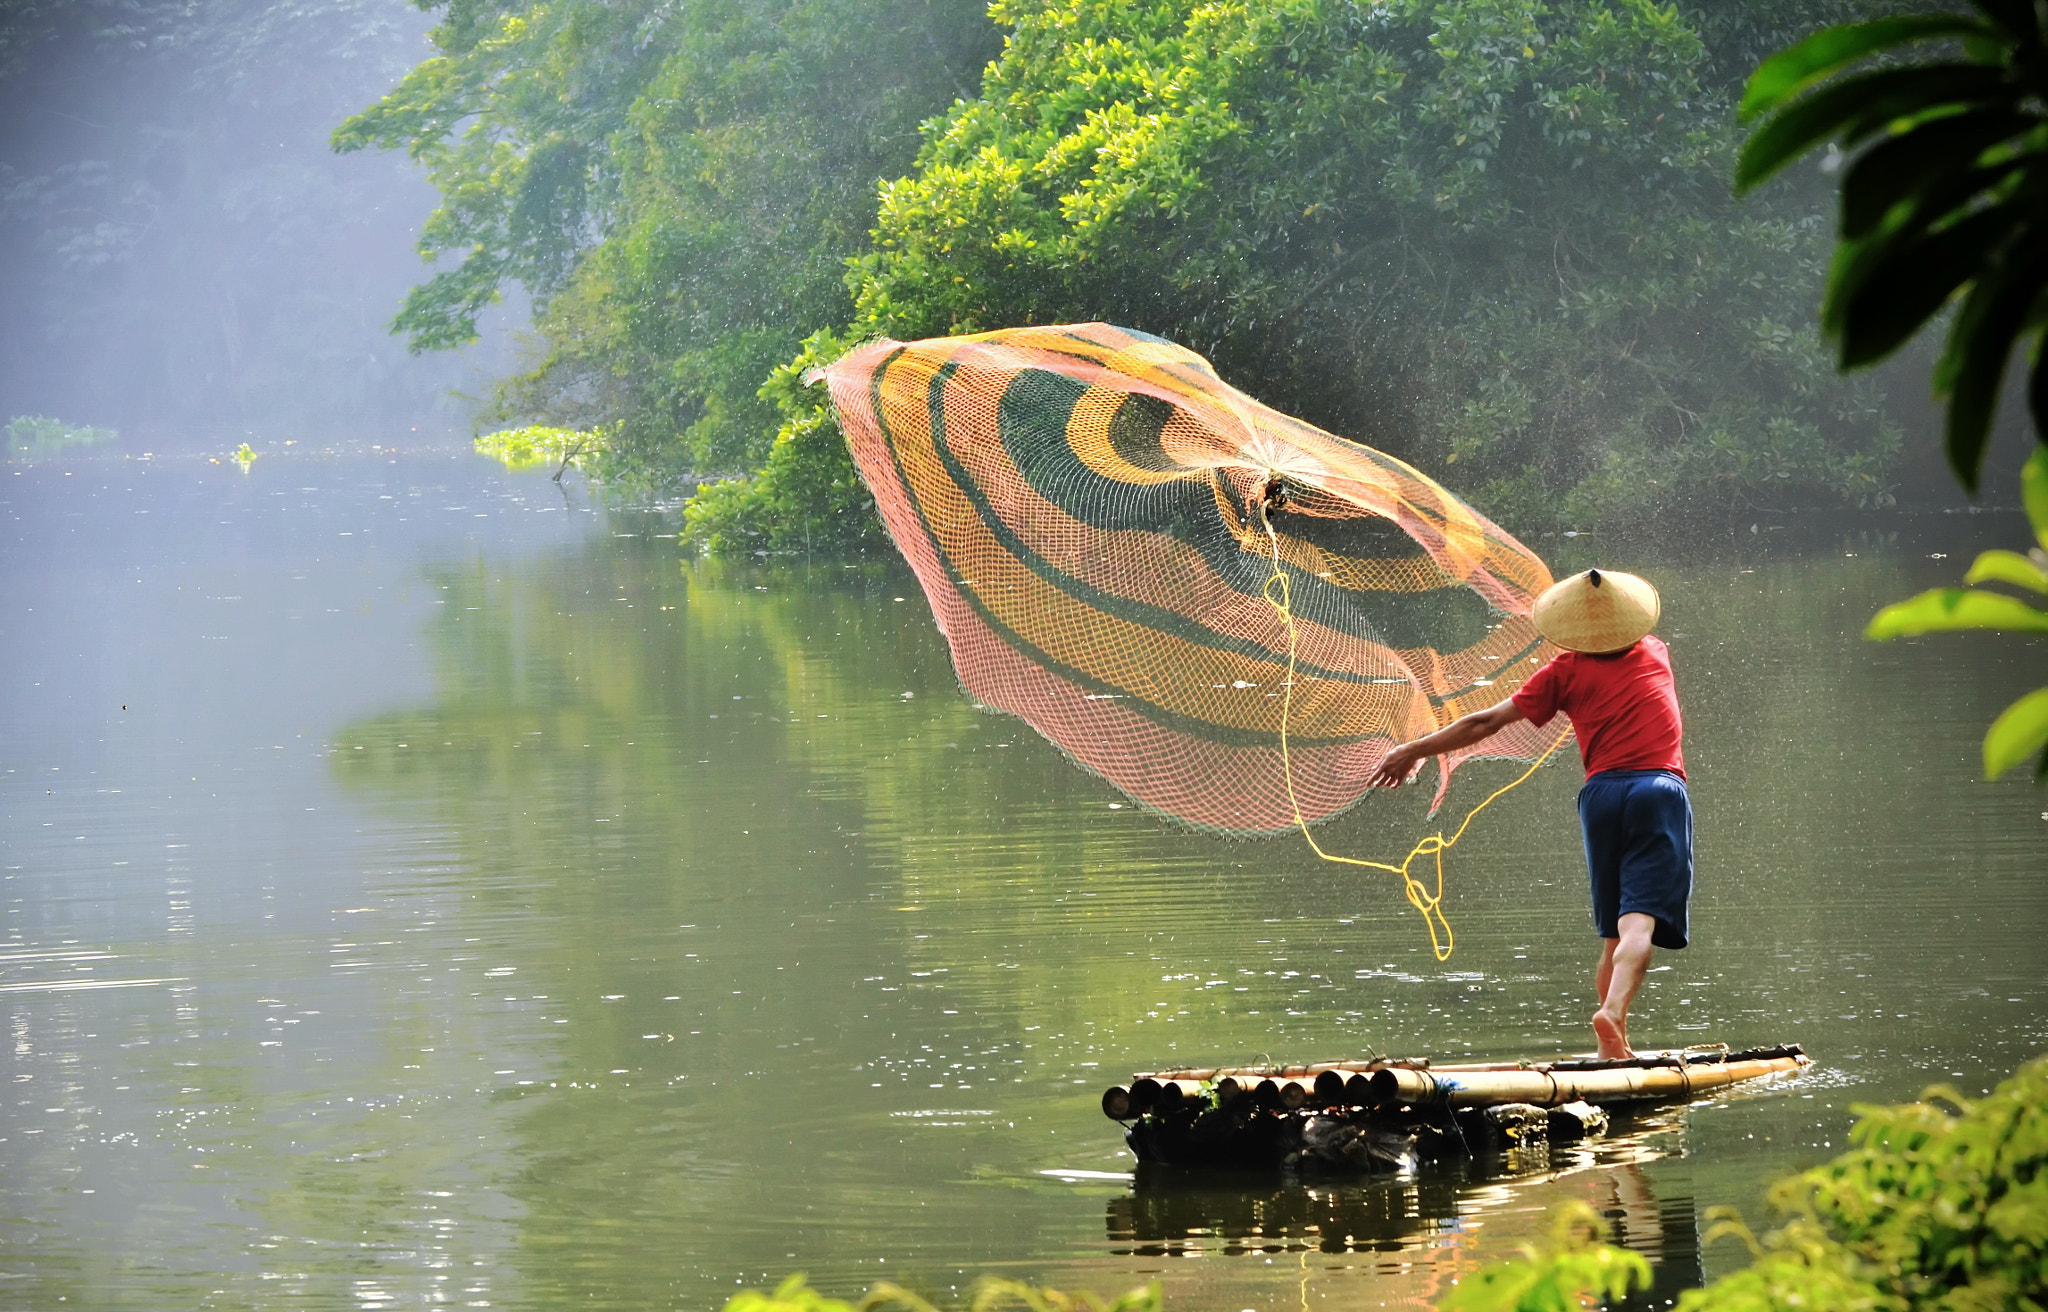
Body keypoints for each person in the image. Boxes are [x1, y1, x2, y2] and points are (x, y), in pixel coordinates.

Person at [1366, 568, 1691, 1060]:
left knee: (1612, 933)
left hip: (1600, 796)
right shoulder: (1655, 652)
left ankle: (1612, 1048)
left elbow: (1483, 722)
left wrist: (1414, 748)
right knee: (1638, 924)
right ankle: (1612, 1013)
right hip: (1657, 788)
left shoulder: (1563, 672)